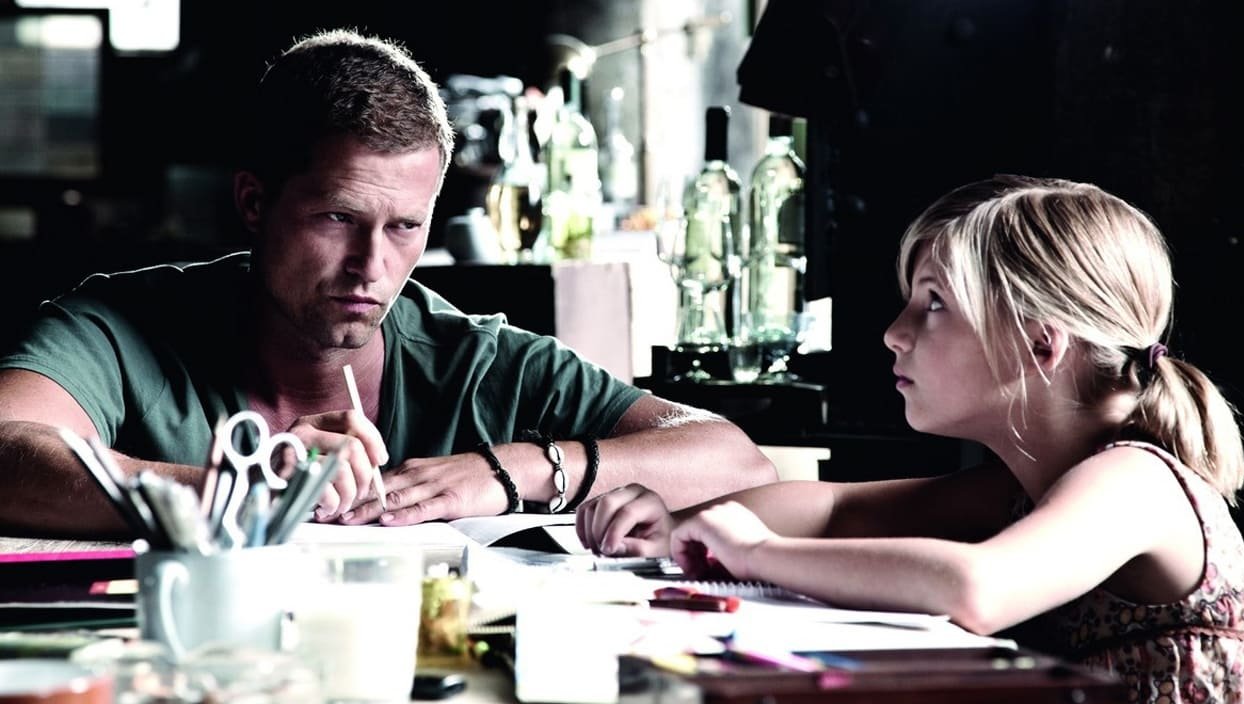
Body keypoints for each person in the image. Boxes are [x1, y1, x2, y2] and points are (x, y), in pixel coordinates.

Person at [0, 29, 776, 537]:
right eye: (337, 218)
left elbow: (734, 459)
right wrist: (243, 488)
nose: (371, 265)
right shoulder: (119, 325)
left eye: (404, 226)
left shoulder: (476, 363)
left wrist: (509, 472)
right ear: (254, 203)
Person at [577, 175, 1244, 704]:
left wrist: (756, 553)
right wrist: (678, 526)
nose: (895, 333)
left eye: (934, 303)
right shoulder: (1026, 488)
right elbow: (836, 511)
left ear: (1042, 344)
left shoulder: (1136, 484)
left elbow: (977, 588)